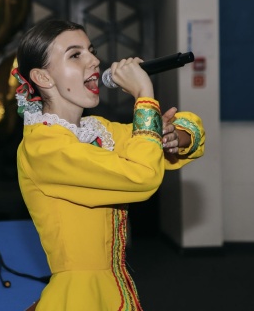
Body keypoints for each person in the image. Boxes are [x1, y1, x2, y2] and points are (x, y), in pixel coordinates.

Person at [12, 19, 204, 310]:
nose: (94, 61)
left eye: (91, 51)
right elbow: (142, 176)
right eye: (75, 55)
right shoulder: (44, 148)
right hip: (81, 296)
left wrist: (173, 136)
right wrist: (144, 94)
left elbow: (186, 130)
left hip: (114, 287)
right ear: (43, 77)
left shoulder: (97, 130)